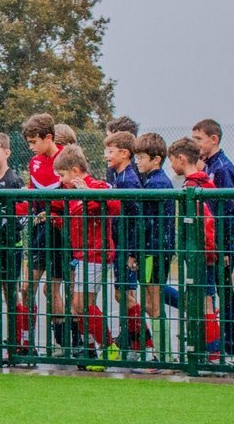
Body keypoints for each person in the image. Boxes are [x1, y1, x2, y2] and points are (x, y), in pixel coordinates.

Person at [48, 145, 120, 369]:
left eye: (62, 175)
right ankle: (92, 350)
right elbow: (74, 220)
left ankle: (109, 348)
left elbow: (114, 205)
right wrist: (55, 219)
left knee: (81, 304)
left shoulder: (96, 186)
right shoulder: (71, 193)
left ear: (76, 170)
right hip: (82, 254)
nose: (61, 181)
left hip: (96, 254)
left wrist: (87, 191)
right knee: (78, 306)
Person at [21, 113, 70, 356]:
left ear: (48, 137)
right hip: (41, 231)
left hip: (63, 233)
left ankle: (62, 342)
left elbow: (73, 197)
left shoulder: (66, 158)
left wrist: (56, 216)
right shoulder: (35, 163)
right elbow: (32, 194)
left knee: (52, 289)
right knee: (27, 286)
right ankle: (27, 341)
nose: (31, 148)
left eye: (33, 142)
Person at [167, 137, 219, 361]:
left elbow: (205, 224)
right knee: (205, 300)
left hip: (201, 254)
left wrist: (206, 253)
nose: (171, 166)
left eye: (171, 160)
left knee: (204, 302)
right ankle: (208, 349)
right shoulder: (207, 182)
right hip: (204, 253)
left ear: (181, 158)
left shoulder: (192, 187)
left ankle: (211, 352)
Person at [192, 119, 234, 355]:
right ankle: (219, 345)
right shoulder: (207, 165)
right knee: (213, 293)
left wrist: (223, 247)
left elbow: (226, 211)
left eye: (199, 139)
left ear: (214, 139)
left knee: (227, 296)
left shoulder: (221, 168)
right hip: (213, 243)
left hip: (221, 245)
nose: (196, 144)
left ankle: (232, 348)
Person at [0, 133, 29, 353]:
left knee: (10, 292)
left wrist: (4, 227)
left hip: (10, 247)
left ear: (7, 153)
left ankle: (16, 342)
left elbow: (22, 214)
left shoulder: (14, 181)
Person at [131, 133, 174, 361]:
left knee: (153, 300)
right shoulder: (150, 180)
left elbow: (146, 222)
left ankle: (163, 354)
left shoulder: (157, 183)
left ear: (156, 159)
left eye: (141, 157)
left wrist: (136, 251)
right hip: (152, 249)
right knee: (150, 300)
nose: (137, 161)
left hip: (154, 251)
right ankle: (161, 352)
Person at [103, 131, 146, 355]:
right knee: (122, 294)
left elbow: (136, 219)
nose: (105, 156)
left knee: (126, 294)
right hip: (118, 244)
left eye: (110, 151)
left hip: (126, 245)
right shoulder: (115, 175)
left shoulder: (129, 180)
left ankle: (143, 344)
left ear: (124, 153)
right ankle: (136, 342)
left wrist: (132, 252)